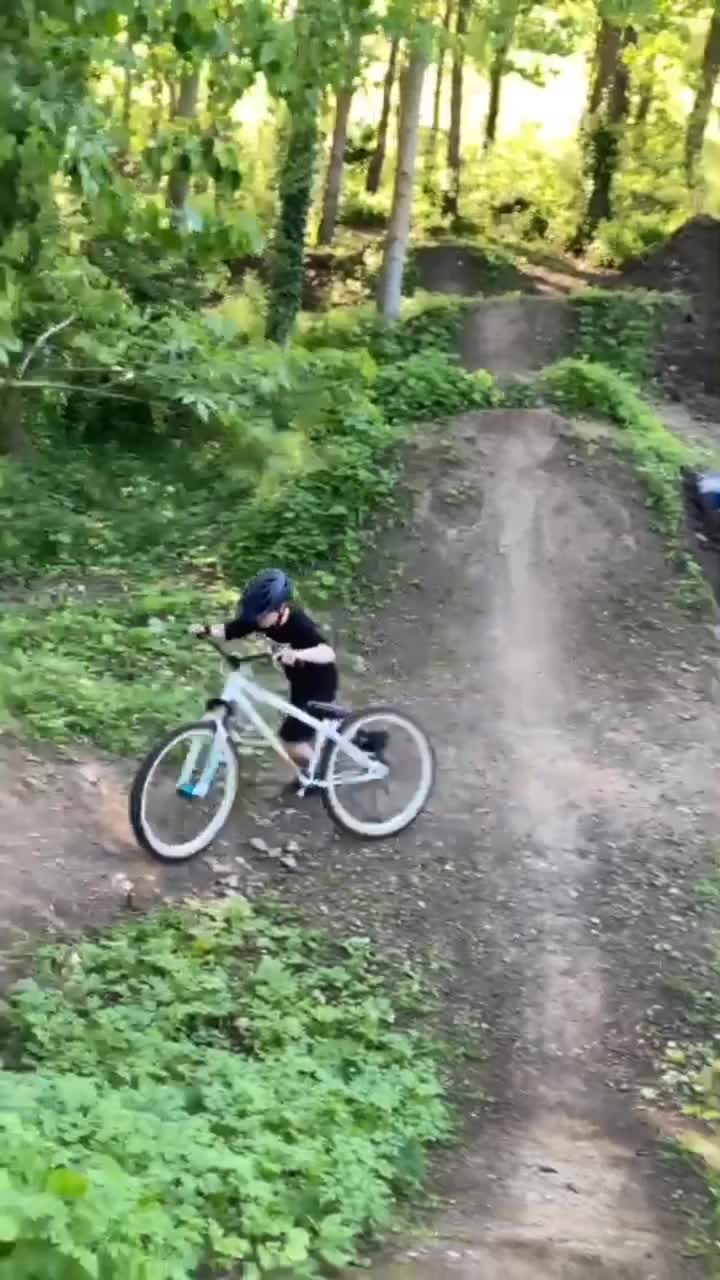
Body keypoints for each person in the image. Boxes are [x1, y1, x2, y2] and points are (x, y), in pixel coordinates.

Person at [191, 568, 386, 793]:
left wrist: (298, 654)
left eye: (262, 615)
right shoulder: (260, 618)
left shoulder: (298, 623)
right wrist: (206, 630)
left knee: (292, 739)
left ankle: (317, 778)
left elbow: (327, 653)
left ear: (280, 608)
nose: (257, 620)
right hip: (299, 683)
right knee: (320, 726)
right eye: (255, 615)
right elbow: (230, 629)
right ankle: (364, 740)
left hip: (319, 683)